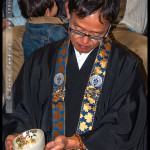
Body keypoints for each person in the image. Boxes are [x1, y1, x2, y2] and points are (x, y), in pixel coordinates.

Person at [3, 0, 147, 150]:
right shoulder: (40, 60)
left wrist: (79, 142)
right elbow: (18, 111)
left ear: (110, 24)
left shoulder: (126, 66)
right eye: (78, 29)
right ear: (67, 10)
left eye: (97, 35)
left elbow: (127, 126)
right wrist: (14, 134)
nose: (85, 40)